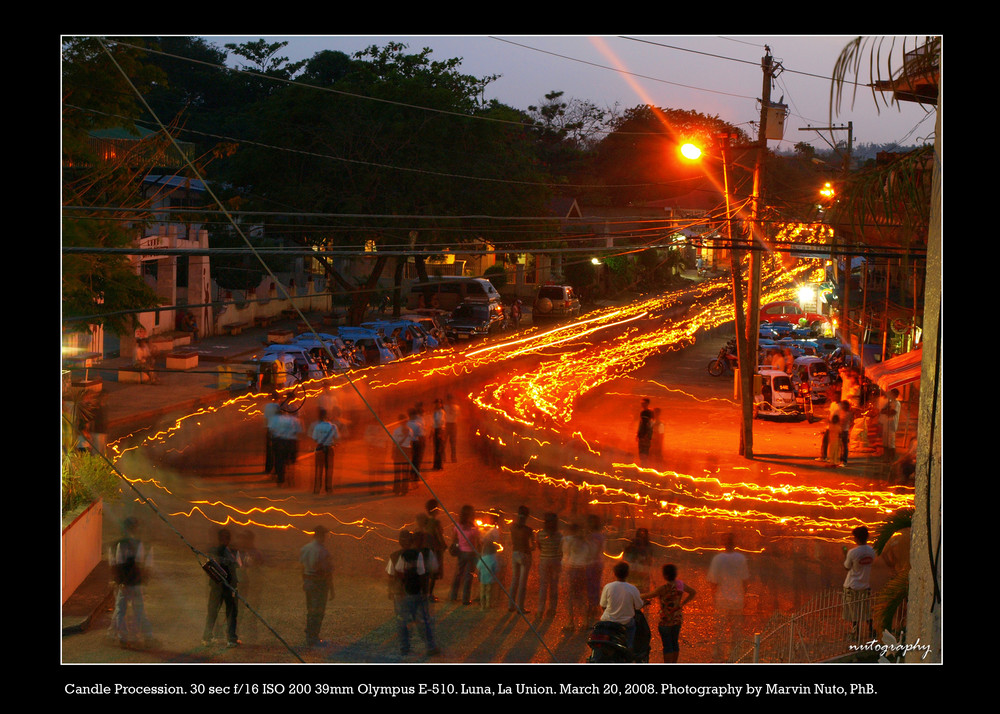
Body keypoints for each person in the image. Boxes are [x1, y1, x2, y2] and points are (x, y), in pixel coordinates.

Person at [387, 530, 440, 656]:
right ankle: (430, 647)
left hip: (400, 595)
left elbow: (390, 575)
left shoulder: (394, 555)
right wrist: (424, 592)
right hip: (415, 593)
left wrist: (390, 590)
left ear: (399, 542)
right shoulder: (418, 555)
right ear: (411, 541)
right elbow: (422, 574)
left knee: (402, 622)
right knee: (423, 622)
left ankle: (404, 647)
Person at [107, 517, 154, 647]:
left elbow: (116, 565)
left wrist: (120, 582)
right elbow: (142, 566)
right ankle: (141, 636)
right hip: (134, 583)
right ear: (135, 529)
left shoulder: (118, 544)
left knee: (120, 610)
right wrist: (143, 581)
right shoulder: (140, 545)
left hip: (124, 584)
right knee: (138, 610)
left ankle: (122, 636)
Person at [706, 532, 750, 661]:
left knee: (720, 629)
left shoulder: (718, 559)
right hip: (737, 599)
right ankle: (734, 654)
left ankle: (719, 655)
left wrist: (713, 598)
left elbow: (713, 582)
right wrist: (744, 596)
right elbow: (745, 580)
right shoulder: (741, 558)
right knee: (736, 630)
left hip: (722, 599)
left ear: (723, 543)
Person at [641, 563, 696, 663]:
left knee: (667, 646)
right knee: (675, 643)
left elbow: (647, 595)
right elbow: (693, 592)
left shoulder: (663, 588)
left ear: (665, 575)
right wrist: (683, 603)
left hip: (665, 621)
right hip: (677, 619)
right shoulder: (680, 585)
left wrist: (633, 593)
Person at [202, 528, 241, 648]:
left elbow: (238, 565)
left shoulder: (232, 551)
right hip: (220, 587)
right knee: (215, 612)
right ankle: (212, 638)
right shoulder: (224, 551)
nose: (225, 540)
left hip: (226, 587)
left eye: (226, 537)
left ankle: (230, 638)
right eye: (223, 537)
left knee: (229, 612)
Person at [300, 525, 334, 647]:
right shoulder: (322, 551)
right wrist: (330, 587)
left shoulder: (306, 548)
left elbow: (302, 567)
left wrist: (304, 581)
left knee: (311, 609)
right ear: (321, 535)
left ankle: (309, 634)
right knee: (319, 610)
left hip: (309, 581)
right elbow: (322, 569)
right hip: (319, 583)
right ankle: (313, 636)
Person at [598, 562, 645, 651]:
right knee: (632, 627)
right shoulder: (632, 588)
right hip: (626, 623)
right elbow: (638, 606)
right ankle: (629, 647)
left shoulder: (608, 587)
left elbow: (603, 605)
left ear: (614, 573)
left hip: (608, 621)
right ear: (627, 574)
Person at [843, 525, 876, 638]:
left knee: (853, 612)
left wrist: (845, 555)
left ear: (856, 538)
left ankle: (855, 633)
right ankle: (872, 631)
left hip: (852, 585)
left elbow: (847, 567)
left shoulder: (852, 552)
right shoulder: (872, 551)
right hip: (864, 585)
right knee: (866, 610)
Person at [562, 522, 593, 631]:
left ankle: (570, 623)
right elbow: (590, 558)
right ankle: (585, 622)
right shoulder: (587, 543)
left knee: (570, 596)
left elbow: (566, 555)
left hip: (573, 569)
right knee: (583, 596)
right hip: (582, 570)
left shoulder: (571, 542)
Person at [235, 530, 264, 643]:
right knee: (238, 610)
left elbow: (258, 568)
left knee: (252, 610)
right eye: (241, 538)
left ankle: (251, 634)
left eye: (244, 538)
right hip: (240, 584)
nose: (241, 541)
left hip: (251, 585)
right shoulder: (237, 552)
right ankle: (235, 633)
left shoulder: (255, 553)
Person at [449, 505, 481, 605]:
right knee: (468, 576)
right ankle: (465, 599)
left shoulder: (457, 526)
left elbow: (454, 538)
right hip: (471, 553)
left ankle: (453, 596)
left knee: (458, 574)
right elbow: (477, 542)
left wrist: (458, 545)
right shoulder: (474, 527)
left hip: (461, 553)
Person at [508, 505, 535, 614]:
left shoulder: (512, 527)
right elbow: (533, 546)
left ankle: (511, 605)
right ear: (527, 516)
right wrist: (530, 548)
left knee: (514, 580)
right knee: (522, 582)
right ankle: (520, 607)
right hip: (525, 554)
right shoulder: (529, 530)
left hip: (515, 553)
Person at [536, 512, 563, 617]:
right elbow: (561, 549)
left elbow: (539, 546)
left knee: (543, 586)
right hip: (556, 561)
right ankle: (552, 609)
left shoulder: (540, 534)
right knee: (554, 586)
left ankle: (540, 610)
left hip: (544, 561)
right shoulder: (559, 535)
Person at [310, 409, 340, 493]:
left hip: (320, 448)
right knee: (329, 469)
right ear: (327, 416)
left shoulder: (317, 426)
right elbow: (337, 438)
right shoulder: (333, 427)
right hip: (329, 448)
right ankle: (328, 488)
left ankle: (317, 488)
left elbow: (314, 438)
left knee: (318, 469)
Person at [422, 499, 447, 601]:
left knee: (426, 572)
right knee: (433, 573)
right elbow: (438, 535)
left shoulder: (425, 521)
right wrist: (444, 545)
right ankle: (429, 595)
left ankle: (424, 593)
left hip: (425, 549)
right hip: (434, 550)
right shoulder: (436, 522)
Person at [272, 407, 303, 487]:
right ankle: (291, 478)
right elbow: (299, 431)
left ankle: (280, 479)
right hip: (291, 442)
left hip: (280, 441)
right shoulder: (295, 420)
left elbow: (272, 430)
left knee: (279, 460)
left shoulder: (276, 419)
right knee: (291, 461)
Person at [585, 513, 606, 617]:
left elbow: (592, 550)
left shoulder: (591, 536)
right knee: (595, 585)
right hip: (598, 563)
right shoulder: (600, 535)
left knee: (591, 585)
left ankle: (592, 606)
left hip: (592, 563)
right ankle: (594, 605)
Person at [623, 528, 653, 593]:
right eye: (641, 533)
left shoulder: (647, 545)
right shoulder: (635, 545)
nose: (642, 535)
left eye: (643, 533)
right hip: (638, 567)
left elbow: (649, 557)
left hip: (640, 567)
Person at [391, 414, 412, 495]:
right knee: (403, 471)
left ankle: (399, 489)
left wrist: (393, 452)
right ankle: (403, 489)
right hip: (405, 450)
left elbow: (394, 443)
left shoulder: (398, 430)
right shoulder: (408, 430)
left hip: (401, 450)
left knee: (399, 471)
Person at [476, 541, 501, 609]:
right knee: (489, 592)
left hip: (483, 579)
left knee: (482, 592)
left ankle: (482, 605)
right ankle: (488, 604)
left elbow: (478, 567)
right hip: (491, 579)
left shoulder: (483, 559)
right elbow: (496, 569)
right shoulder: (493, 560)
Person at [407, 407, 426, 482]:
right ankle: (416, 475)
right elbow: (421, 434)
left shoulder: (407, 423)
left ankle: (411, 474)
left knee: (412, 459)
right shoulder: (418, 423)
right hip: (417, 442)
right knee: (417, 459)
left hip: (409, 443)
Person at [263, 398, 280, 475]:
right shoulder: (279, 406)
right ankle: (276, 469)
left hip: (269, 428)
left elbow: (266, 418)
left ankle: (268, 468)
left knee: (269, 450)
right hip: (277, 430)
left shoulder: (267, 406)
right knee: (276, 450)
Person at [636, 398, 654, 463]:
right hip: (642, 436)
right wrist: (638, 434)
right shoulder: (643, 412)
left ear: (647, 403)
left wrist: (647, 435)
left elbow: (650, 424)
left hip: (645, 437)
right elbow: (641, 424)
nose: (642, 404)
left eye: (643, 403)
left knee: (644, 453)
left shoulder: (648, 413)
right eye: (641, 403)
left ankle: (644, 467)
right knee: (642, 453)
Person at [444, 395, 460, 463]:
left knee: (453, 442)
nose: (450, 401)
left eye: (451, 399)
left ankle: (453, 457)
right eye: (449, 399)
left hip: (453, 424)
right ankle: (443, 457)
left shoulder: (456, 407)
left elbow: (458, 416)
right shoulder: (444, 407)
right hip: (446, 424)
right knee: (444, 442)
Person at [432, 398, 446, 471]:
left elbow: (439, 422)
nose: (436, 405)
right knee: (436, 448)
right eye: (435, 403)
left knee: (439, 448)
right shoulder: (436, 411)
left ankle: (439, 466)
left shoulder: (441, 412)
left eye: (437, 403)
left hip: (440, 429)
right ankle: (436, 465)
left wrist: (440, 433)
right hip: (437, 429)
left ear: (440, 404)